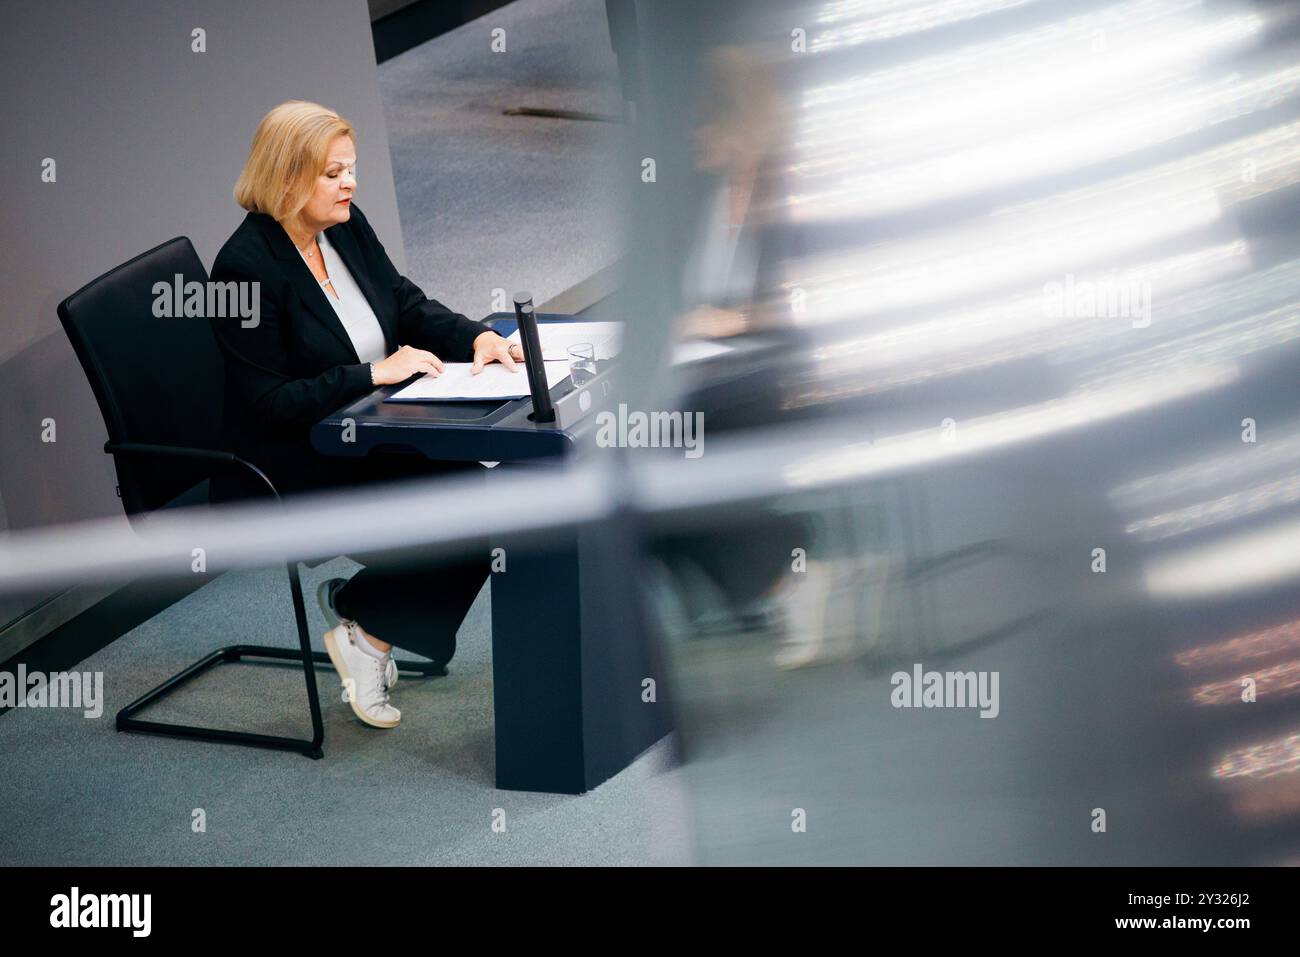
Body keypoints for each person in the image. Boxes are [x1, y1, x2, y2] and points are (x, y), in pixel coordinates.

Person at [209, 100, 524, 729]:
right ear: (287, 178)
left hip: (368, 426)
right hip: (292, 457)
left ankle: (366, 626)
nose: (349, 184)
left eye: (349, 170)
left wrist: (474, 337)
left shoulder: (344, 226)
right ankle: (367, 629)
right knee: (466, 513)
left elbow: (403, 302)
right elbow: (268, 404)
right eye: (332, 174)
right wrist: (370, 374)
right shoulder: (243, 269)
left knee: (488, 497)